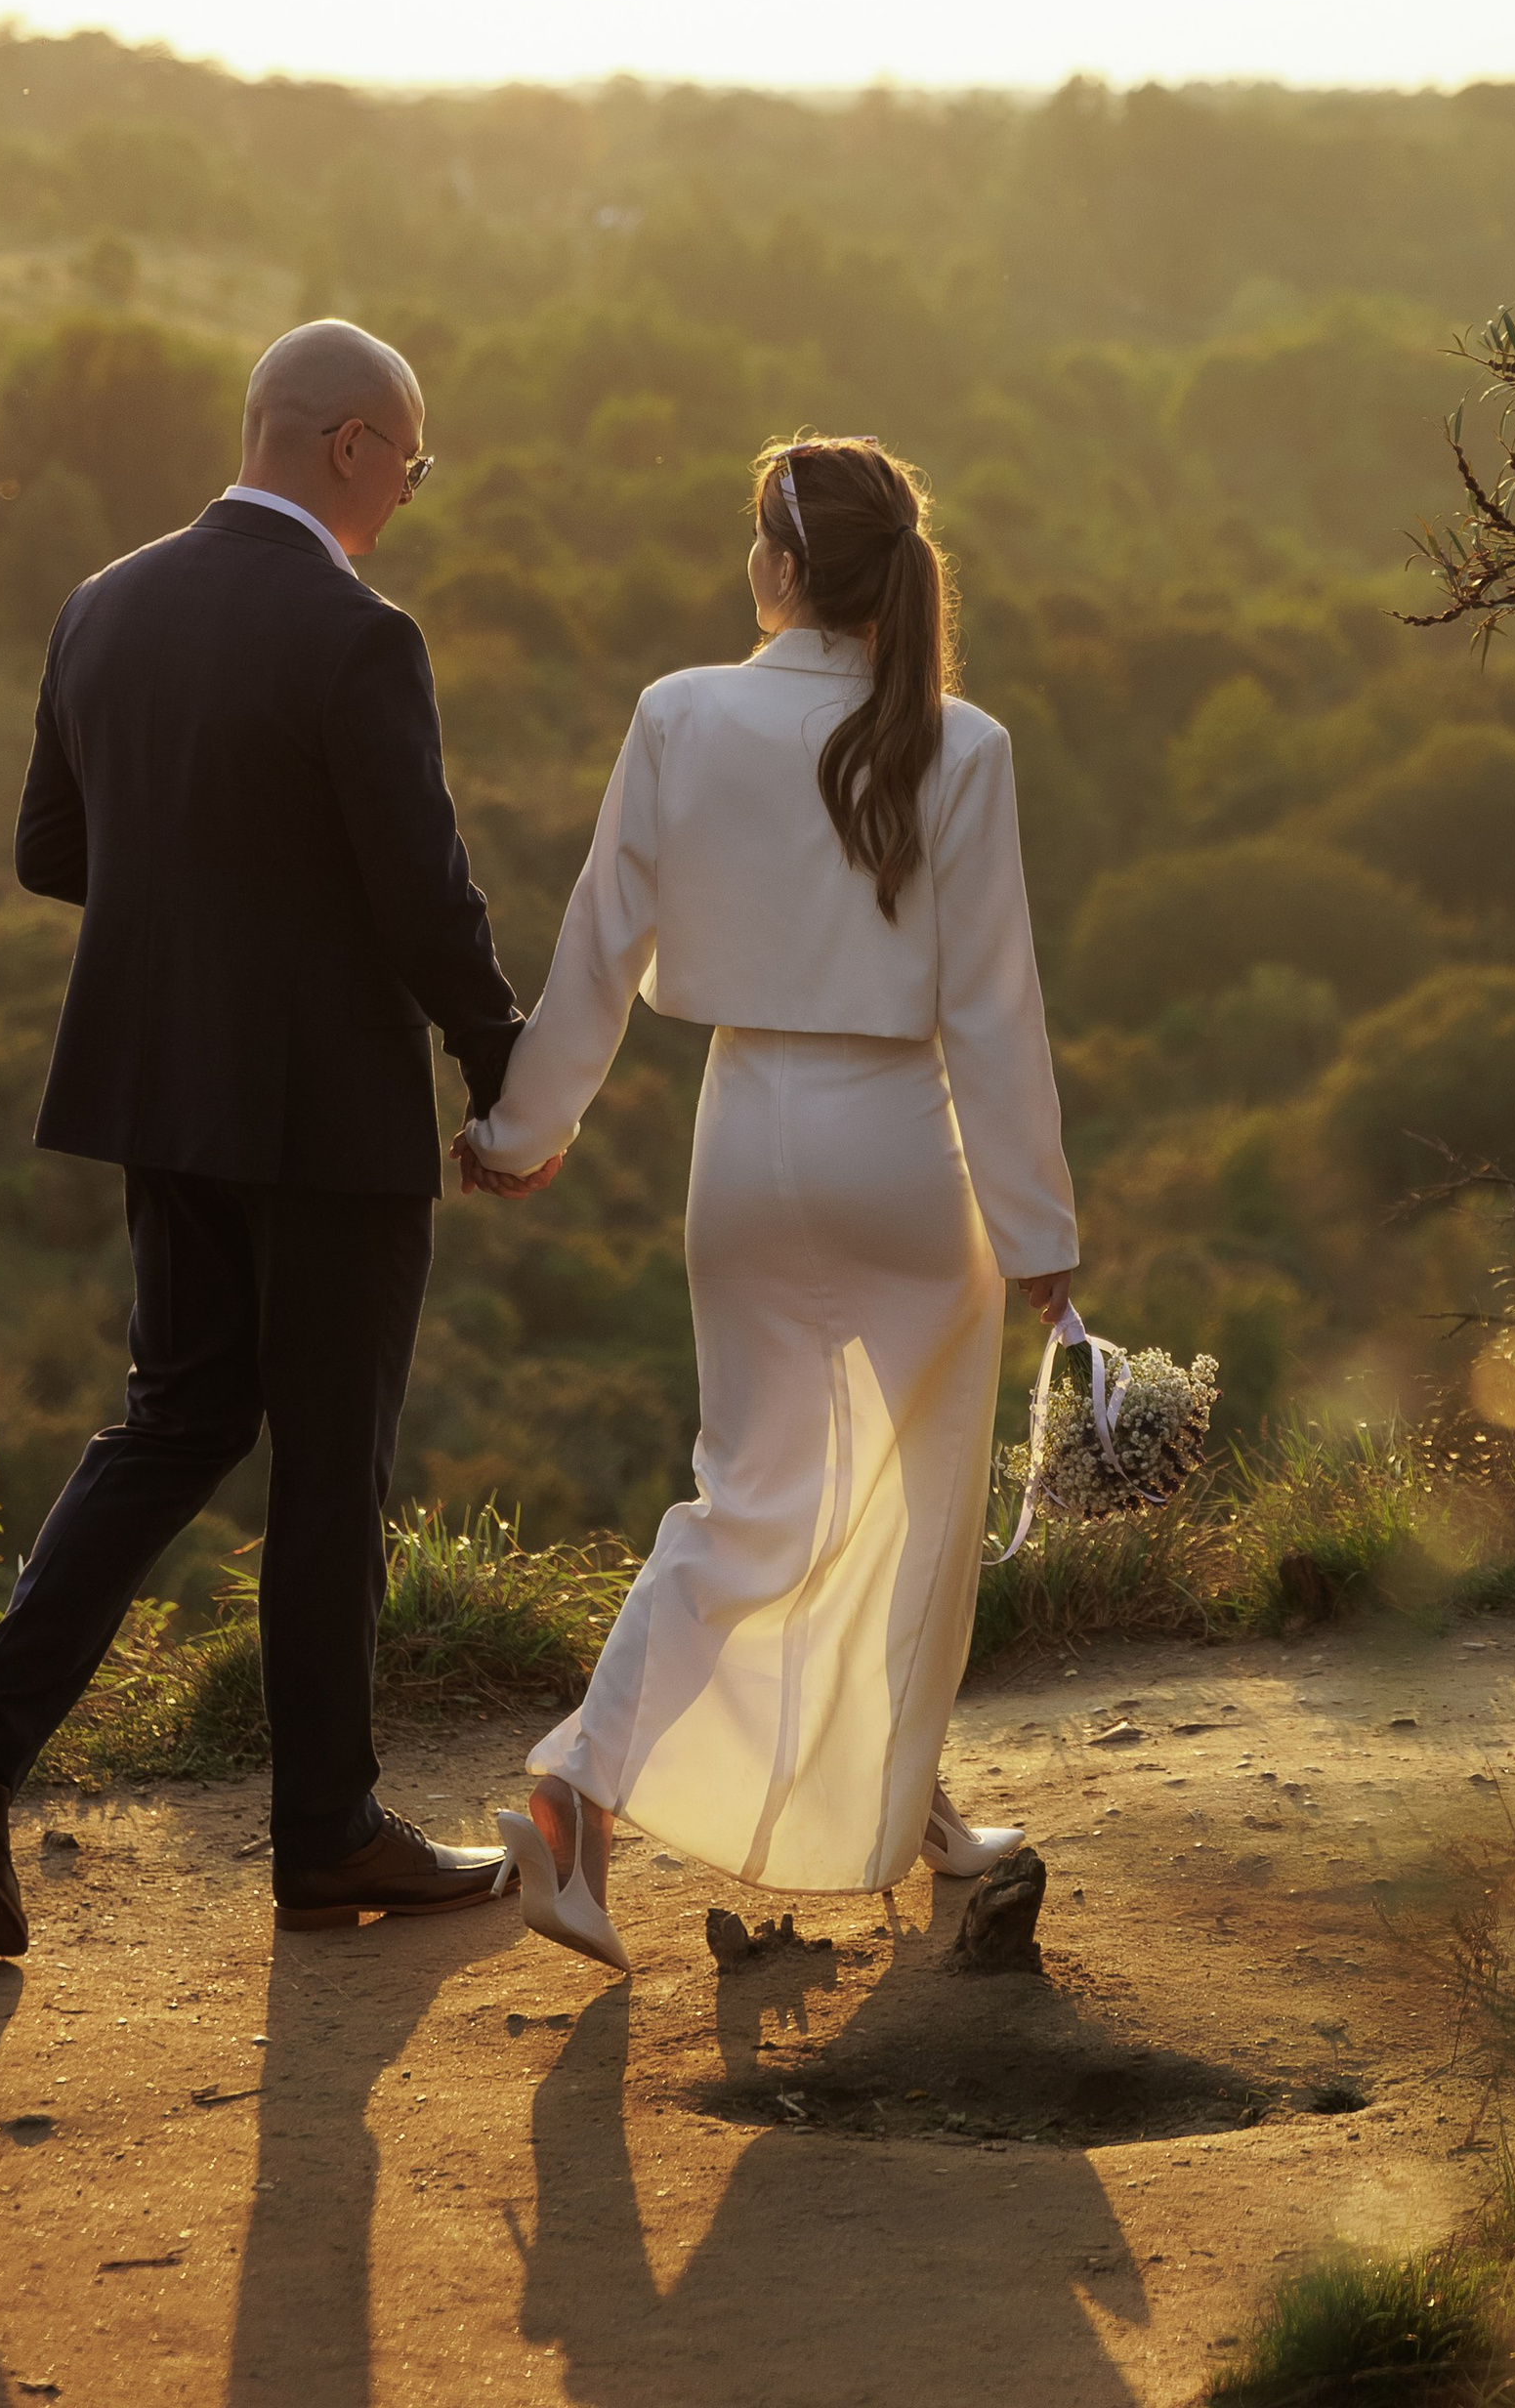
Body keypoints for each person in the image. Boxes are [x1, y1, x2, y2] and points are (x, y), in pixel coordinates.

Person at [0, 319, 532, 1956]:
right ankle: (325, 1832)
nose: (407, 496)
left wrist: (200, 906)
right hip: (328, 1116)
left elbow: (51, 850)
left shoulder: (100, 604)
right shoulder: (358, 635)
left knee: (172, 1422)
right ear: (347, 445)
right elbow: (423, 896)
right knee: (329, 1464)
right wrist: (503, 1068)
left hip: (159, 1089)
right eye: (410, 466)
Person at [460, 434, 1078, 1972]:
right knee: (913, 1512)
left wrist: (522, 1129)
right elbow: (995, 1011)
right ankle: (879, 1807)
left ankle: (594, 1796)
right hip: (905, 1148)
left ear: (787, 569)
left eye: (755, 538)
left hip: (743, 1140)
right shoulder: (964, 744)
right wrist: (1043, 1242)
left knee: (746, 1497)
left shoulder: (680, 711)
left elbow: (600, 944)